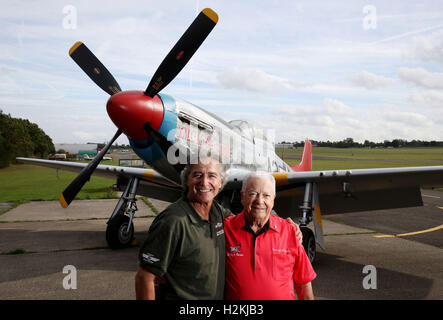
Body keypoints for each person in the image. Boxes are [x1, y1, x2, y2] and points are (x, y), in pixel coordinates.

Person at [135, 158, 303, 300]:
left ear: (220, 183)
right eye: (197, 175)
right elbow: (144, 277)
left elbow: (249, 216)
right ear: (186, 180)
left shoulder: (216, 212)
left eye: (212, 176)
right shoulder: (172, 221)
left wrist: (285, 226)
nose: (204, 182)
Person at [224, 171, 316, 300]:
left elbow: (304, 286)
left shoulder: (290, 232)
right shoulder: (225, 229)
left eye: (266, 195)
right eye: (253, 194)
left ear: (273, 199)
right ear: (242, 197)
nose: (259, 201)